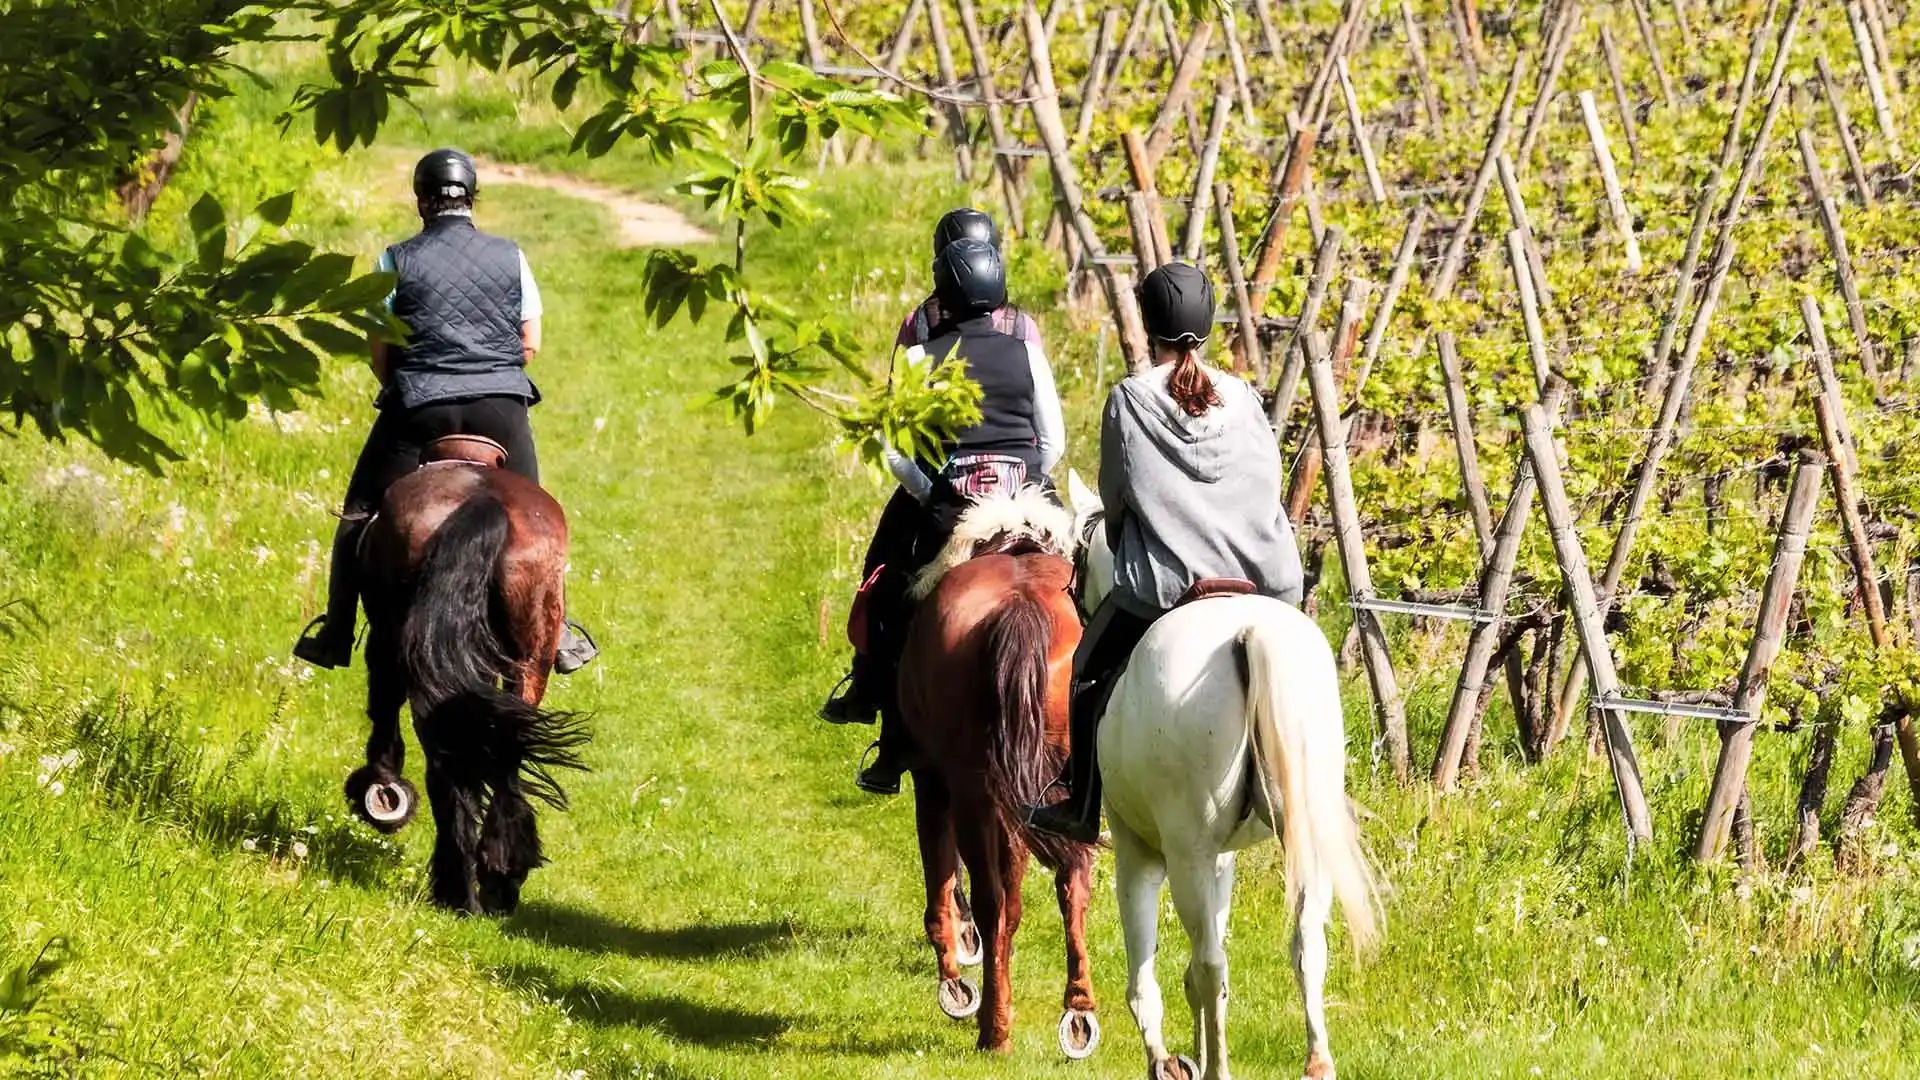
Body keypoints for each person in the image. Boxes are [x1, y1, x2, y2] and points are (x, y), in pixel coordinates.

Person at [1027, 261, 1303, 843]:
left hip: (1166, 588)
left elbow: (1116, 496)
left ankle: (1080, 802)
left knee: (1084, 669)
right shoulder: (1245, 396)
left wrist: (1135, 527)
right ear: (1209, 324)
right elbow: (1267, 482)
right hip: (1267, 579)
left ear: (1146, 327)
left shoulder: (1129, 398)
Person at [293, 148, 598, 674]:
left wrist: (407, 385)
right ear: (472, 199)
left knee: (359, 511)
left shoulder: (394, 259)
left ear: (420, 202)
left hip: (419, 407)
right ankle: (561, 631)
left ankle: (336, 632)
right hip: (501, 405)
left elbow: (380, 350)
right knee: (537, 517)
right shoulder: (511, 255)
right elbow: (531, 341)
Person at [821, 236, 1066, 796]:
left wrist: (932, 491)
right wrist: (1024, 474)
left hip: (953, 506)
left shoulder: (917, 358)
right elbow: (1053, 439)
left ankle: (889, 730)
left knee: (893, 596)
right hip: (1028, 501)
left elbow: (895, 452)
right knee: (1086, 590)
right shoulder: (1026, 350)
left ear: (944, 292)